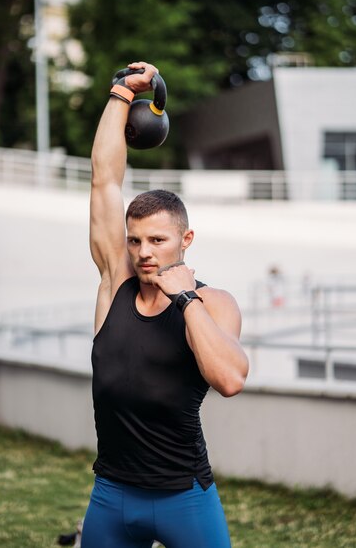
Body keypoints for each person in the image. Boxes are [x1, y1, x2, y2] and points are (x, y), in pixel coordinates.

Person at [82, 61, 249, 548]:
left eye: (157, 240)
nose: (143, 252)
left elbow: (231, 380)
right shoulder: (117, 284)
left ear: (185, 239)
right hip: (111, 496)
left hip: (185, 499)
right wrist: (120, 94)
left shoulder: (215, 302)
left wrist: (186, 299)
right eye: (135, 241)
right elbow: (104, 182)